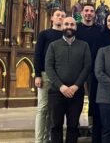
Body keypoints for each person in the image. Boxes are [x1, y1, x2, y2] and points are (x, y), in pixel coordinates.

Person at [45, 17, 91, 143]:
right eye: (66, 24)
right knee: (55, 126)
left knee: (73, 126)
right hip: (56, 92)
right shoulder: (53, 45)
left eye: (72, 24)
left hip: (76, 93)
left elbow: (87, 67)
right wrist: (61, 86)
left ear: (76, 27)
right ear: (62, 26)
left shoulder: (84, 45)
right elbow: (49, 67)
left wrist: (76, 86)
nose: (69, 26)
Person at [34, 9, 65, 143]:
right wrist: (37, 75)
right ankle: (40, 140)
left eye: (63, 16)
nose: (60, 18)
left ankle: (49, 138)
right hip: (45, 75)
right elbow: (38, 55)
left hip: (61, 77)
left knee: (54, 110)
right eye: (58, 15)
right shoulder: (44, 34)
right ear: (52, 18)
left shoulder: (66, 35)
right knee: (43, 109)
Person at [74, 3, 103, 143]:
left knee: (93, 99)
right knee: (76, 99)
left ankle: (92, 126)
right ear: (82, 13)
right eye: (86, 11)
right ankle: (76, 126)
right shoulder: (76, 29)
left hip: (94, 70)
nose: (89, 13)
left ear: (94, 14)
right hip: (78, 69)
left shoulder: (99, 29)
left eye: (91, 11)